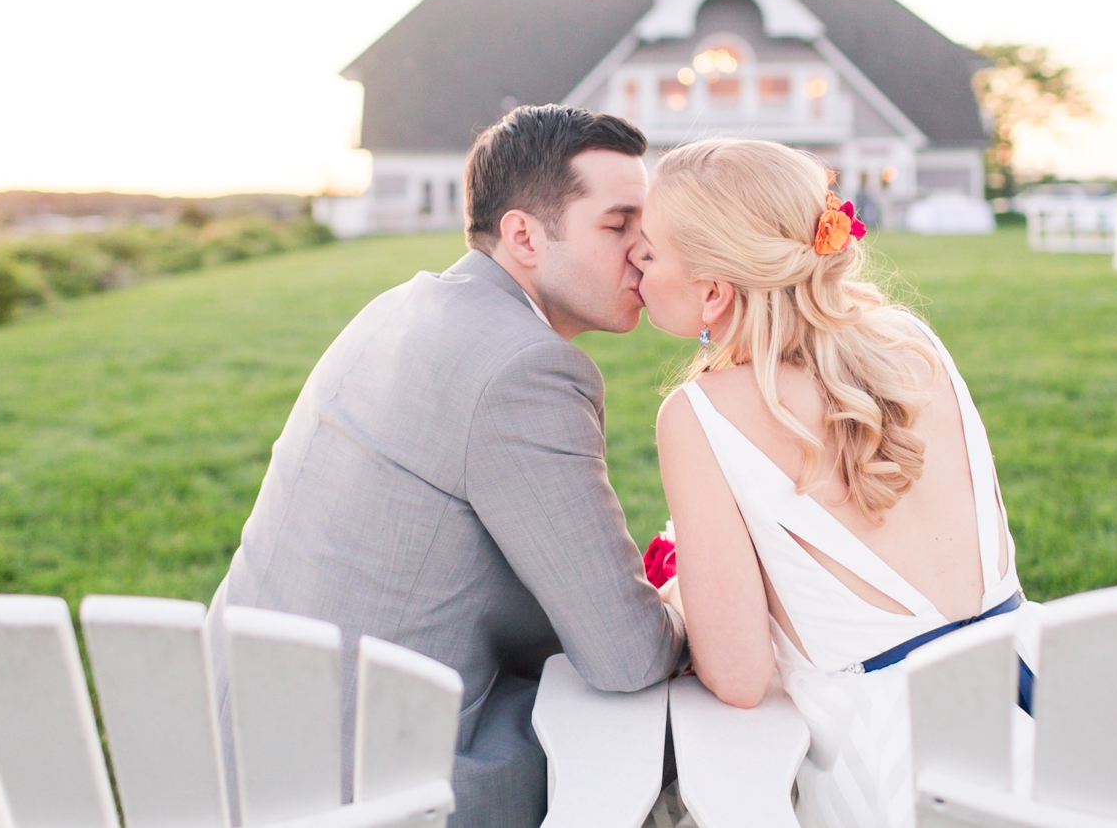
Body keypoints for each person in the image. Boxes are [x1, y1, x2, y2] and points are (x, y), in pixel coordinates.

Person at [206, 105, 687, 828]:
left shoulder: (399, 308)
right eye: (618, 226)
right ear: (523, 234)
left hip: (232, 748)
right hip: (378, 783)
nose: (644, 253)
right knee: (692, 736)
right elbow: (626, 655)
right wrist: (685, 601)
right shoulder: (526, 367)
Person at [635, 138, 1023, 828]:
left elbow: (740, 675)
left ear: (714, 291)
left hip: (899, 757)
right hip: (1038, 699)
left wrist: (680, 596)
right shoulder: (912, 345)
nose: (636, 260)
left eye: (651, 249)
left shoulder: (698, 413)